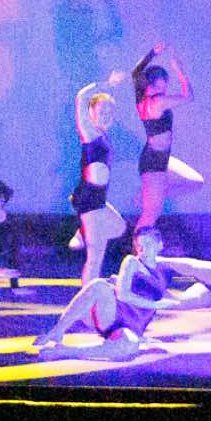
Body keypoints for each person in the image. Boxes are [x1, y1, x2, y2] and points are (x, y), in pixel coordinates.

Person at [31, 225, 190, 360]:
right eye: (139, 246)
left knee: (130, 347)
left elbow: (151, 295)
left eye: (148, 244)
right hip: (113, 315)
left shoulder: (163, 271)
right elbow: (123, 295)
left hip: (131, 328)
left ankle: (68, 351)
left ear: (160, 245)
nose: (142, 249)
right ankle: (58, 330)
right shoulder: (132, 261)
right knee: (99, 285)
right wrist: (156, 304)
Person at [129, 43, 204, 232]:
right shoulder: (157, 101)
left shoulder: (141, 98)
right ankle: (136, 251)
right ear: (152, 84)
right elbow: (188, 96)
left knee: (195, 182)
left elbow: (136, 72)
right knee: (150, 216)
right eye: (162, 86)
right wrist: (179, 70)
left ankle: (146, 196)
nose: (164, 91)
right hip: (153, 164)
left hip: (160, 158)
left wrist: (153, 52)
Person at [69, 71, 129, 288]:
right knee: (95, 256)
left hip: (98, 198)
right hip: (89, 199)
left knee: (119, 227)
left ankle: (84, 232)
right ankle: (88, 299)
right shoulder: (89, 132)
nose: (106, 116)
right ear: (91, 113)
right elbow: (81, 97)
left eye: (110, 112)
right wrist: (106, 84)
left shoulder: (103, 135)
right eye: (101, 111)